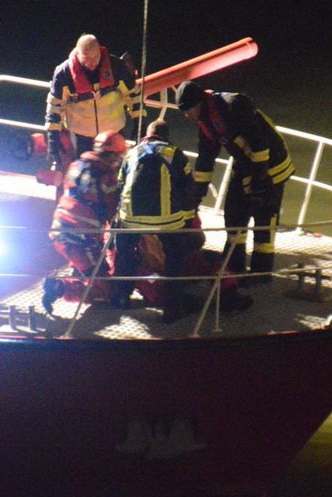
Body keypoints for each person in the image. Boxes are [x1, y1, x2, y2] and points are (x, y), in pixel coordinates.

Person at [176, 80, 295, 282]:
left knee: (263, 219)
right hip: (245, 164)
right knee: (234, 213)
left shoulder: (233, 105)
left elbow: (259, 140)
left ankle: (261, 273)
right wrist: (197, 194)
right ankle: (234, 266)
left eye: (188, 110)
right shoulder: (206, 122)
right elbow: (206, 159)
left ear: (198, 104)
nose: (186, 116)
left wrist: (260, 177)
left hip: (271, 165)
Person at [113, 119, 200, 322]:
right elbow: (189, 189)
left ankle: (121, 298)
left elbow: (119, 187)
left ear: (147, 135)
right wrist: (186, 222)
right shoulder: (175, 153)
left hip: (131, 218)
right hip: (168, 220)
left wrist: (121, 217)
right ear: (166, 136)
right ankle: (172, 309)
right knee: (174, 260)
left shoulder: (132, 153)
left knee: (124, 254)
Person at [42, 130, 127, 315]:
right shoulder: (107, 176)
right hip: (79, 238)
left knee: (89, 267)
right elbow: (113, 212)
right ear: (114, 155)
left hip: (61, 228)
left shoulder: (76, 165)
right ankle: (61, 288)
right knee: (107, 291)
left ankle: (77, 275)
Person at [45, 33, 142, 167]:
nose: (92, 63)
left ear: (100, 51)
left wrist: (139, 125)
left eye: (95, 57)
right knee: (85, 177)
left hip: (114, 135)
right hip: (82, 138)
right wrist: (53, 144)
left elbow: (133, 96)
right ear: (78, 54)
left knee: (119, 176)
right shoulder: (64, 74)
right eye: (87, 58)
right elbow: (54, 109)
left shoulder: (116, 66)